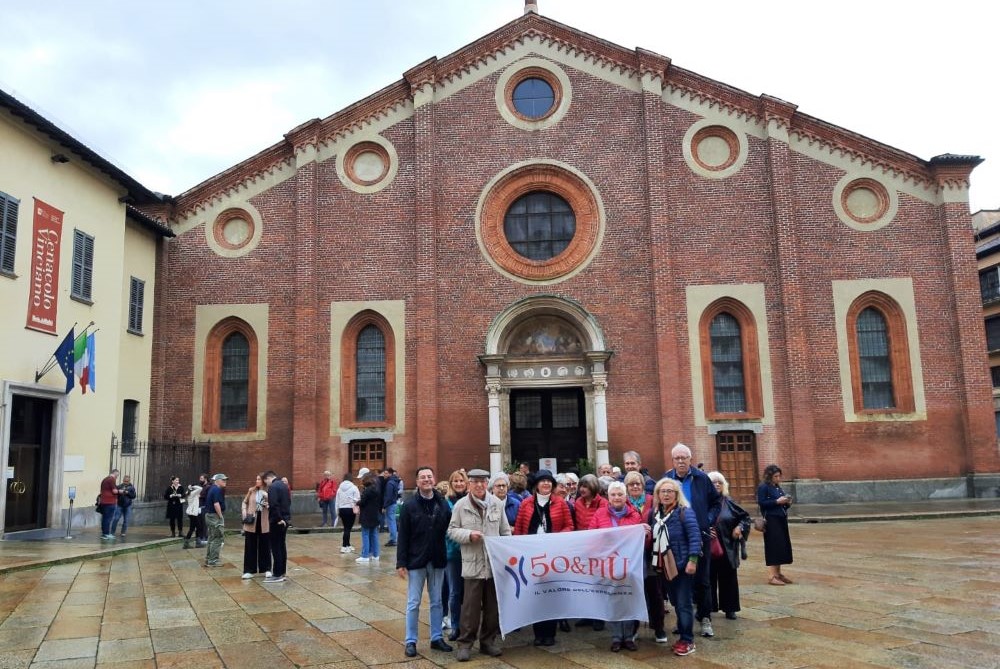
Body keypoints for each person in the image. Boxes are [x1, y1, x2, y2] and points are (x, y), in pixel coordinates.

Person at [446, 468, 511, 661]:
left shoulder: (497, 504)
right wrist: (468, 535)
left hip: (493, 565)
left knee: (492, 607)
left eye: (483, 481)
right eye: (475, 481)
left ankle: (487, 642)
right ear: (469, 484)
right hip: (472, 563)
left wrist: (505, 553)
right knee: (470, 608)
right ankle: (465, 643)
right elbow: (452, 530)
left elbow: (505, 532)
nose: (480, 485)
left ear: (487, 484)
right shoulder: (461, 505)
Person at [664, 443, 721, 638]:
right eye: (677, 458)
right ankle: (683, 620)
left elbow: (716, 502)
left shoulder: (701, 478)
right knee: (678, 580)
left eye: (684, 458)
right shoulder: (666, 479)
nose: (681, 461)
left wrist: (708, 520)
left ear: (690, 459)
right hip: (676, 539)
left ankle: (705, 618)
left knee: (702, 580)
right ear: (672, 461)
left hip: (700, 536)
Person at [513, 469, 574, 646]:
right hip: (532, 556)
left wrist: (555, 538)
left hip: (553, 556)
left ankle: (550, 634)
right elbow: (519, 528)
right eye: (542, 481)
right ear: (536, 485)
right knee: (536, 595)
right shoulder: (525, 504)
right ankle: (538, 634)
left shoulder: (561, 503)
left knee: (551, 594)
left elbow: (569, 526)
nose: (546, 484)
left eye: (549, 481)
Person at [397, 465, 453, 658]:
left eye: (429, 476)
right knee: (414, 602)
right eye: (423, 477)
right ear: (417, 482)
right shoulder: (409, 505)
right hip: (416, 559)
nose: (427, 480)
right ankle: (410, 640)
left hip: (437, 558)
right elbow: (403, 535)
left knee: (437, 601)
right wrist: (401, 562)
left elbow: (450, 527)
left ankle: (436, 637)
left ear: (434, 479)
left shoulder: (442, 503)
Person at [589, 481, 645, 651]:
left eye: (620, 494)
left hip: (629, 565)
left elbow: (641, 540)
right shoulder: (599, 514)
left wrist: (645, 532)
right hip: (608, 564)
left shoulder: (634, 515)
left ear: (625, 496)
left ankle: (628, 637)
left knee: (628, 599)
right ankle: (615, 637)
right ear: (608, 497)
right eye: (613, 494)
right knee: (612, 601)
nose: (617, 497)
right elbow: (591, 536)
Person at [650, 478, 702, 656]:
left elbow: (695, 537)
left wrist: (692, 560)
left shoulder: (684, 512)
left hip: (681, 566)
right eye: (662, 491)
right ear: (657, 494)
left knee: (683, 603)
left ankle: (688, 640)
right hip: (664, 567)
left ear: (676, 494)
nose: (665, 494)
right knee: (675, 603)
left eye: (669, 491)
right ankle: (683, 635)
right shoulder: (655, 514)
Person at [707, 471, 751, 618]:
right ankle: (709, 606)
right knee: (708, 578)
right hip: (708, 546)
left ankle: (730, 607)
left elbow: (744, 518)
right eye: (713, 482)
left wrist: (739, 528)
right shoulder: (702, 503)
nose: (717, 485)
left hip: (727, 546)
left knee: (729, 578)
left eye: (719, 482)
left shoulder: (729, 502)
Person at [757, 464, 794, 586]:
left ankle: (778, 574)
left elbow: (781, 503)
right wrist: (777, 501)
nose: (778, 478)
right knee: (773, 546)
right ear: (769, 476)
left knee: (781, 546)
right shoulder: (763, 487)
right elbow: (762, 503)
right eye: (775, 476)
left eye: (779, 476)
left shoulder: (777, 487)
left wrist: (787, 502)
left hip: (781, 519)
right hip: (771, 520)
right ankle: (771, 575)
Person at [442, 470, 469, 640]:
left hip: (471, 552)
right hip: (453, 553)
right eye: (456, 481)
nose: (459, 484)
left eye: (462, 481)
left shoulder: (472, 500)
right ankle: (456, 625)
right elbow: (445, 529)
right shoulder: (446, 503)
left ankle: (468, 625)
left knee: (470, 592)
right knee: (455, 591)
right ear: (451, 484)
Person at [241, 473, 272, 580]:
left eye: (258, 479)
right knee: (250, 546)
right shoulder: (251, 490)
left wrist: (267, 501)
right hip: (252, 522)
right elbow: (244, 502)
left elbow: (273, 505)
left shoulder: (269, 491)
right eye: (256, 479)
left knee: (265, 546)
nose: (256, 481)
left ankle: (266, 569)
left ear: (263, 480)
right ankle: (249, 570)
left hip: (264, 522)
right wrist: (244, 511)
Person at [264, 471, 291, 582]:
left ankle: (277, 574)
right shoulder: (284, 485)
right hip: (285, 518)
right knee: (282, 546)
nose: (266, 484)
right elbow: (287, 502)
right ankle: (282, 571)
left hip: (277, 521)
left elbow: (274, 504)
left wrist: (278, 518)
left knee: (275, 547)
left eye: (266, 481)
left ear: (268, 478)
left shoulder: (273, 487)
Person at [356, 472, 382, 563]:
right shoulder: (377, 489)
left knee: (365, 535)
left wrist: (357, 502)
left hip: (366, 515)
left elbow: (363, 502)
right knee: (374, 535)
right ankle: (376, 555)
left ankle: (365, 555)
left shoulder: (367, 491)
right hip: (375, 515)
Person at [204, 473, 228, 567]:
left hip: (209, 515)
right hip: (214, 516)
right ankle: (213, 561)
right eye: (223, 480)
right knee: (217, 538)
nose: (225, 482)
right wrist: (220, 516)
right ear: (217, 481)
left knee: (211, 538)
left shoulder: (212, 488)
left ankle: (209, 558)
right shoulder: (217, 489)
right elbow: (216, 504)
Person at [335, 471, 361, 553]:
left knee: (346, 527)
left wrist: (337, 511)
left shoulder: (339, 488)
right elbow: (357, 499)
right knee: (348, 528)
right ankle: (344, 546)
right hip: (350, 509)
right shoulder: (354, 487)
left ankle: (348, 544)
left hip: (342, 509)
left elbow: (337, 501)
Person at [98, 469, 120, 541]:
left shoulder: (105, 479)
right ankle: (106, 534)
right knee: (108, 519)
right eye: (117, 475)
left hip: (103, 501)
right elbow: (114, 491)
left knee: (104, 518)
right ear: (115, 474)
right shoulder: (111, 479)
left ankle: (104, 533)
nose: (117, 477)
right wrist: (121, 491)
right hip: (110, 502)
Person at [382, 467, 401, 547]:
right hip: (393, 503)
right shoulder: (394, 481)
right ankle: (393, 539)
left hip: (390, 504)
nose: (384, 475)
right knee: (392, 521)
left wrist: (384, 506)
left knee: (391, 522)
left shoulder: (390, 483)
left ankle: (393, 539)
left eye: (386, 473)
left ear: (390, 473)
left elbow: (388, 496)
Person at [183, 479, 203, 549]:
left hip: (192, 513)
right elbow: (200, 488)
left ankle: (187, 543)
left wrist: (190, 487)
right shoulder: (192, 493)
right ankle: (197, 542)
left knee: (193, 528)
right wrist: (193, 486)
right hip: (193, 513)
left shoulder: (189, 493)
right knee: (198, 527)